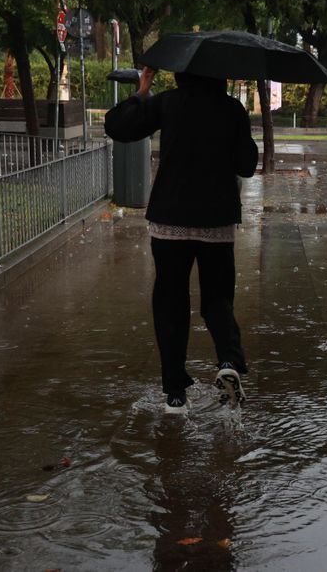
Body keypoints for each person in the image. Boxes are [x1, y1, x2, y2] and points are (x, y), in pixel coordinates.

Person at [104, 67, 259, 413]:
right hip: (216, 221)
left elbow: (117, 127)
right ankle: (229, 361)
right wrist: (243, 134)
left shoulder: (167, 103)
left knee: (170, 303)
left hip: (170, 219)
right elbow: (246, 166)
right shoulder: (232, 109)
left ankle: (175, 393)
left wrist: (141, 93)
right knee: (218, 299)